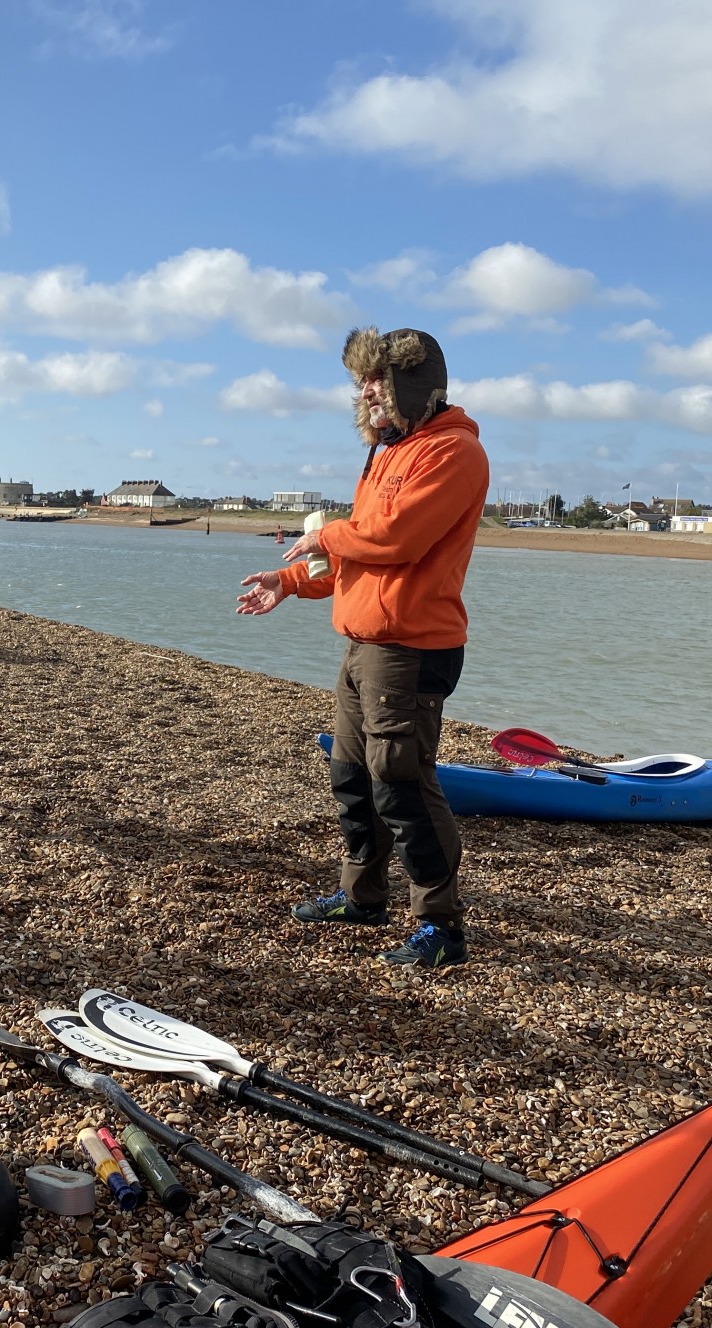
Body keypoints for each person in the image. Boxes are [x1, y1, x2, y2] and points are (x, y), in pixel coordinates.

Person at [237, 328, 488, 969]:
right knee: (352, 778)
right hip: (363, 643)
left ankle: (441, 926)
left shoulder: (451, 452)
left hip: (410, 647)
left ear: (413, 383)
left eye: (376, 378)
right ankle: (364, 897)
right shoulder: (388, 452)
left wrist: (329, 538)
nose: (366, 392)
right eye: (360, 381)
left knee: (401, 783)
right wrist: (289, 582)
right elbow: (362, 556)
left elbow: (394, 538)